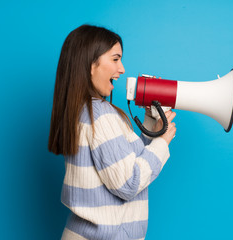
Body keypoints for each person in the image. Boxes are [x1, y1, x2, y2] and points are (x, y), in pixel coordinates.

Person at [48, 24, 176, 240]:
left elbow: (120, 162)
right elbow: (128, 183)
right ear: (90, 63)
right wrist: (162, 142)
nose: (122, 68)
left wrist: (151, 131)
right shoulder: (100, 114)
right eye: (115, 59)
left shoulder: (83, 111)